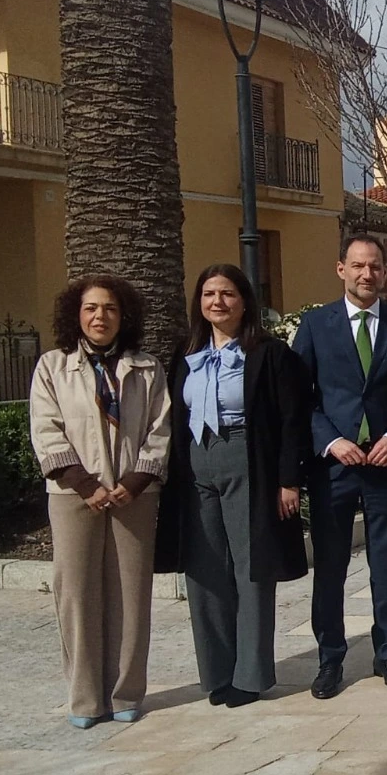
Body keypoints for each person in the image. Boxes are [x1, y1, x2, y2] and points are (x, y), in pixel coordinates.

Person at [157, 264, 310, 709]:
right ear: (198, 303)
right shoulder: (185, 353)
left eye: (227, 294)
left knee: (251, 570)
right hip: (195, 466)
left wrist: (288, 480)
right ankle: (218, 672)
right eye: (209, 294)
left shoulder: (269, 353)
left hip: (249, 462)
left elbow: (290, 421)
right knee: (204, 571)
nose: (217, 302)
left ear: (245, 301)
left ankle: (251, 674)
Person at [29, 276, 171, 728]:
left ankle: (127, 692)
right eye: (91, 308)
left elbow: (160, 429)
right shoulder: (52, 367)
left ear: (122, 315)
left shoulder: (147, 369)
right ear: (76, 313)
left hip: (134, 494)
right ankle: (86, 699)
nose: (99, 317)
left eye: (109, 308)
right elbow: (46, 429)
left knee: (131, 594)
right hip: (73, 496)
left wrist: (134, 481)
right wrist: (84, 483)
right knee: (76, 593)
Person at [293, 234, 387, 699]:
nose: (367, 274)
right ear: (341, 269)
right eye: (358, 266)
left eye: (375, 267)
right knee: (330, 567)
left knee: (385, 564)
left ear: (385, 273)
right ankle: (330, 659)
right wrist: (332, 441)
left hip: (385, 464)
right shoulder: (314, 325)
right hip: (335, 469)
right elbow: (300, 398)